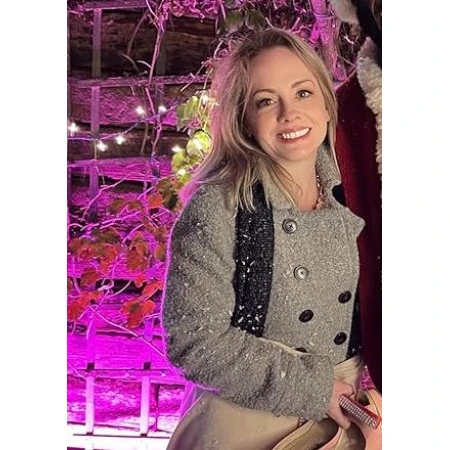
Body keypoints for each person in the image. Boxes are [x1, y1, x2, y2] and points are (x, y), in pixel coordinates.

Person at [162, 27, 370, 449]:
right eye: (265, 101)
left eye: (303, 93)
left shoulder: (358, 188)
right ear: (244, 119)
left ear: (326, 103)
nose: (289, 113)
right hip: (244, 425)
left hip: (343, 421)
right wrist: (316, 390)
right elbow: (194, 339)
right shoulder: (219, 205)